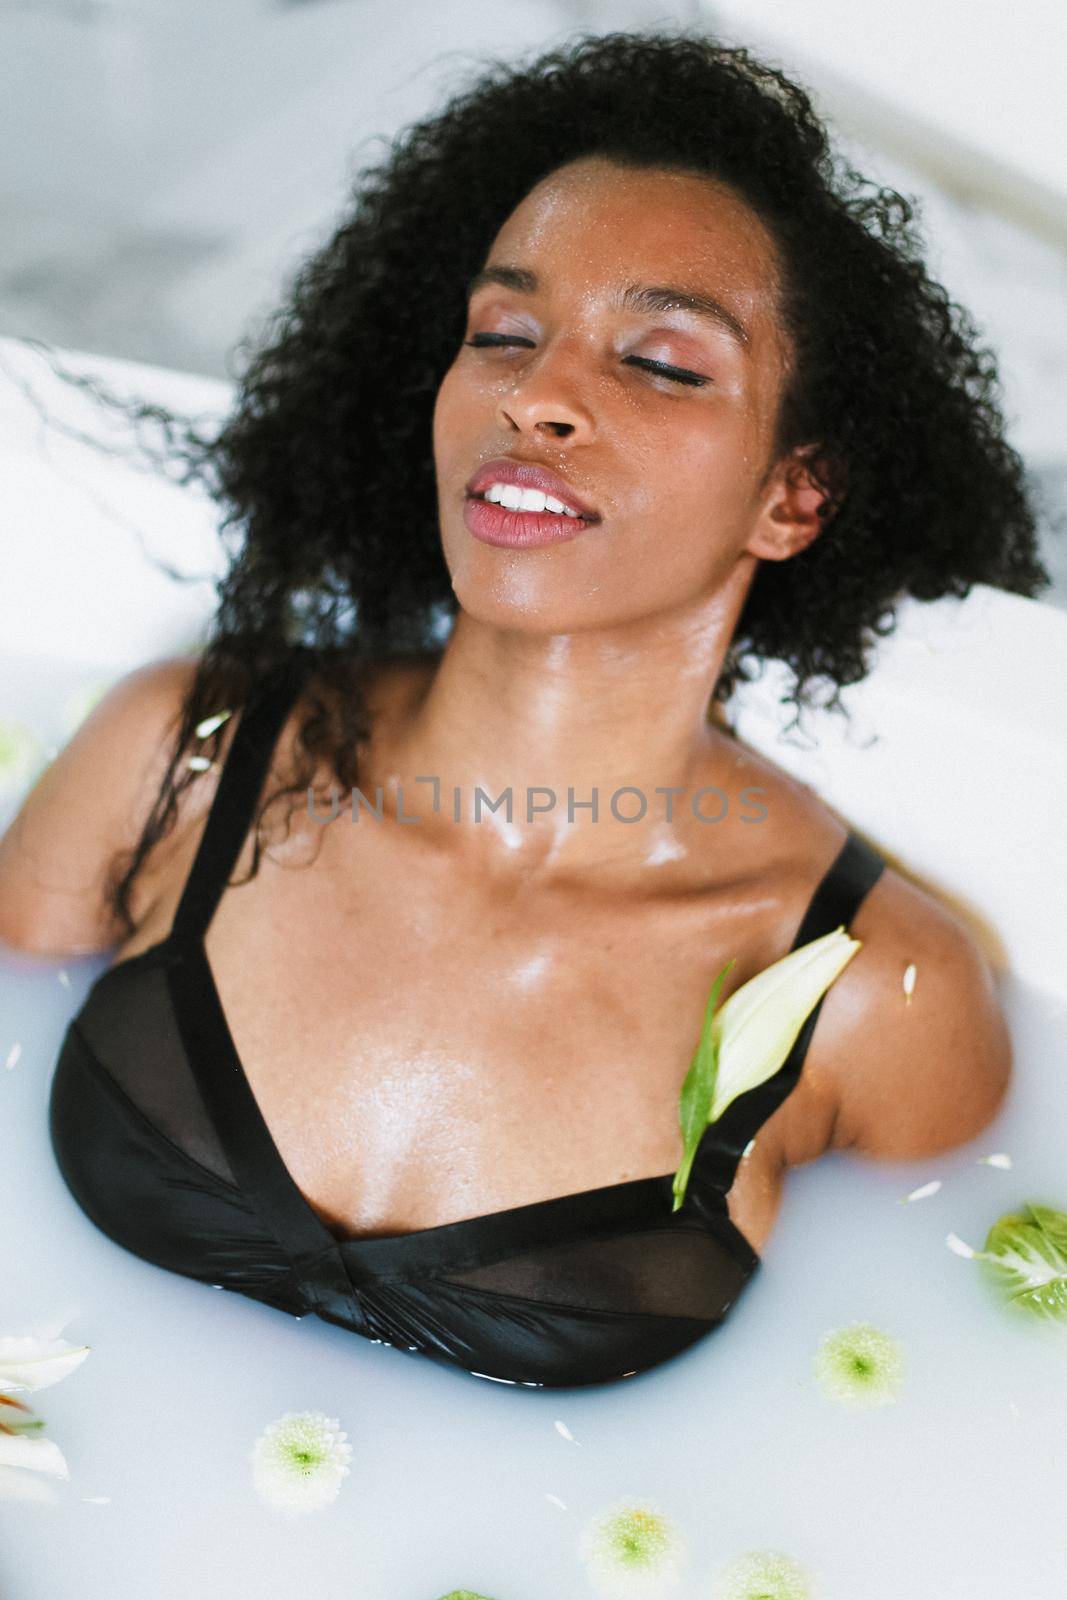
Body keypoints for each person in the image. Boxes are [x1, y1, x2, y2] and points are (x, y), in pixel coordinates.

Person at [0, 31, 1038, 1387]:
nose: (538, 395)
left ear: (794, 496)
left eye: (662, 363)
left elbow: (946, 1391)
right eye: (503, 333)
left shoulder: (880, 995)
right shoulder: (181, 760)